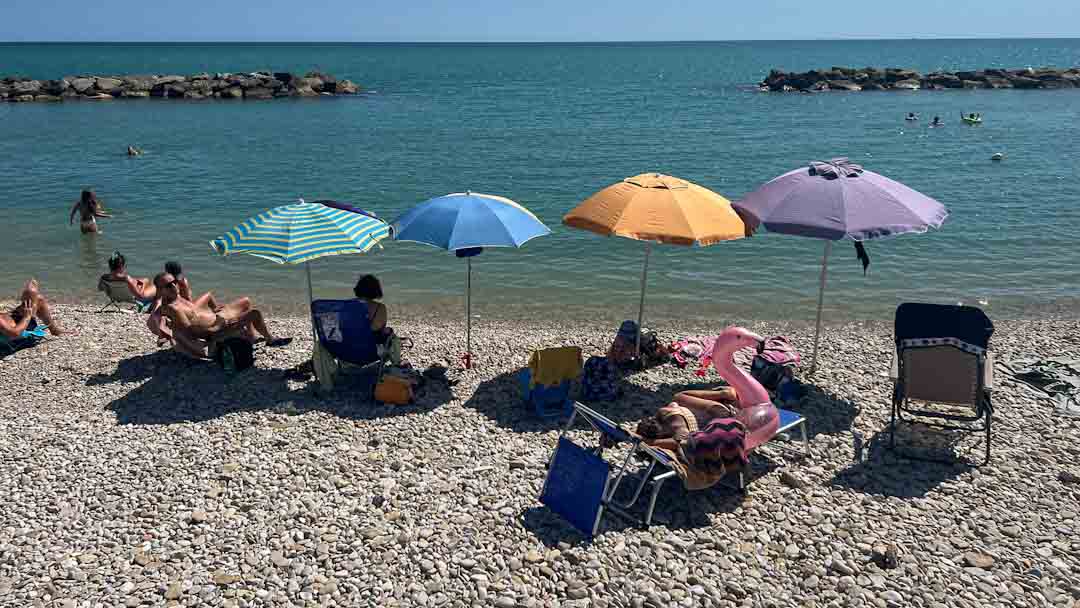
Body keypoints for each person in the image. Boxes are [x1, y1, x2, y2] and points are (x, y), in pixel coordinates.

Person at [153, 272, 290, 347]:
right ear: (160, 289)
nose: (173, 286)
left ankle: (252, 337)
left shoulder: (178, 298)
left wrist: (214, 309)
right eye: (168, 285)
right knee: (255, 314)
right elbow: (191, 332)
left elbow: (195, 309)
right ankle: (270, 340)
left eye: (174, 282)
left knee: (245, 301)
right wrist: (218, 326)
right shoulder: (172, 307)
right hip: (214, 332)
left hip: (217, 320)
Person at [636, 388, 740, 451]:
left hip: (721, 415)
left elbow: (678, 443)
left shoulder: (677, 429)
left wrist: (649, 442)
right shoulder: (663, 412)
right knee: (678, 397)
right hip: (716, 411)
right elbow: (673, 404)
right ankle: (722, 394)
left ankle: (724, 394)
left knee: (679, 399)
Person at [353, 274, 390, 339]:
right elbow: (381, 327)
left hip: (350, 342)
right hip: (371, 346)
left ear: (358, 288)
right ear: (376, 290)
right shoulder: (380, 308)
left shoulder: (348, 305)